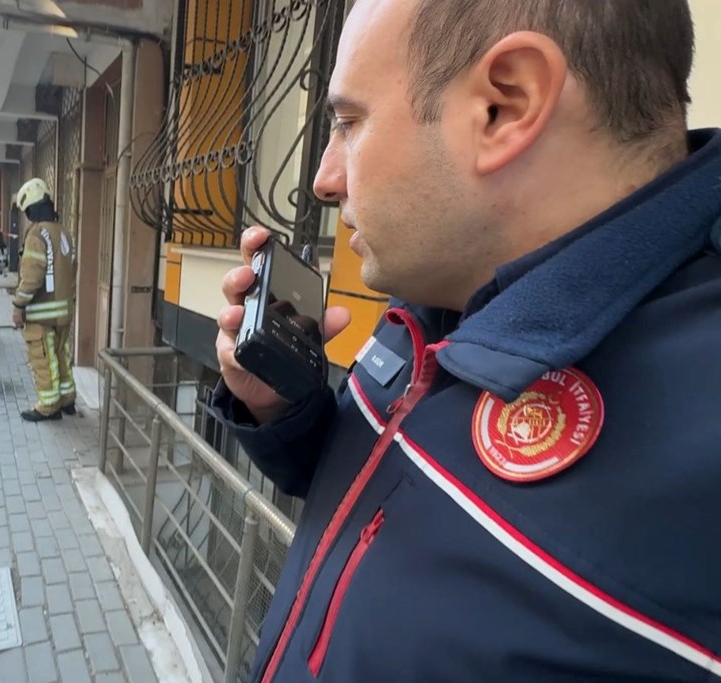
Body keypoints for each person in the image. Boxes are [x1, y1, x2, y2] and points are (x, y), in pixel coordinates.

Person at [211, 1, 720, 681]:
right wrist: (283, 414)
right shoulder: (444, 284)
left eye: (348, 122)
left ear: (505, 105)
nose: (324, 178)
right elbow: (386, 483)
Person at [12, 178, 78, 421]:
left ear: (31, 208)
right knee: (61, 357)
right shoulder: (65, 233)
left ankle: (49, 406)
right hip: (64, 311)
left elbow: (31, 278)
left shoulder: (37, 234)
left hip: (42, 315)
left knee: (43, 359)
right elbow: (72, 272)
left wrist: (18, 305)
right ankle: (67, 399)